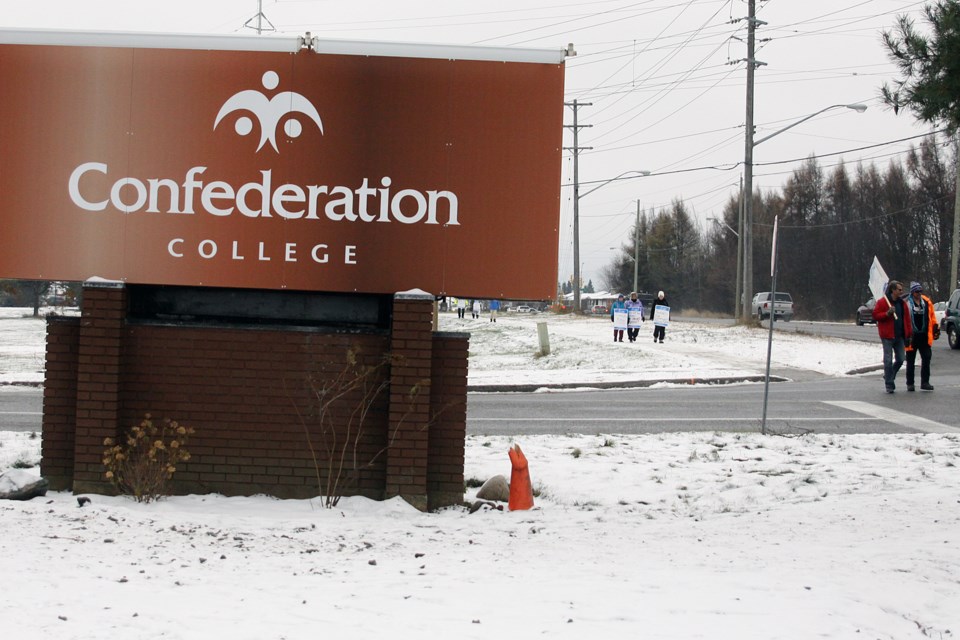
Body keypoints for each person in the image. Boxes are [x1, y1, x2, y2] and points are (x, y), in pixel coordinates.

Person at [872, 280, 912, 393]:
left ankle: (890, 375)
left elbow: (907, 320)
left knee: (900, 359)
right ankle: (889, 384)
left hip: (899, 336)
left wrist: (908, 335)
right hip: (887, 336)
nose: (901, 292)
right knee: (888, 360)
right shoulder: (883, 302)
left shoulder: (902, 303)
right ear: (893, 290)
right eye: (899, 290)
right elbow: (875, 315)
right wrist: (887, 314)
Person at [904, 281, 936, 392]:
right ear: (913, 292)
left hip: (924, 336)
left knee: (926, 358)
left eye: (920, 291)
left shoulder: (926, 302)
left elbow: (932, 317)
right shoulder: (907, 303)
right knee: (910, 360)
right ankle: (910, 383)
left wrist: (935, 328)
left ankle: (925, 382)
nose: (919, 293)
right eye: (917, 291)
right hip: (911, 336)